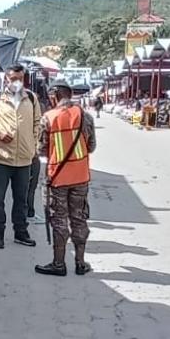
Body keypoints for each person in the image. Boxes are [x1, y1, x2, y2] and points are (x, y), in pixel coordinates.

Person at [35, 81, 97, 277]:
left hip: (57, 178)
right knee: (79, 218)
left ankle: (59, 264)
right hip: (80, 176)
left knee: (59, 219)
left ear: (54, 95)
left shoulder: (48, 118)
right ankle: (80, 263)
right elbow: (92, 146)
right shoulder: (85, 116)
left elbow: (41, 149)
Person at [0, 64, 41, 249]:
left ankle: (21, 232)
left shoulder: (31, 98)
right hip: (1, 158)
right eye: (13, 78)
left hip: (24, 159)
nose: (16, 82)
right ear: (6, 79)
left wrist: (33, 146)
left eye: (20, 78)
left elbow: (37, 124)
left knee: (21, 199)